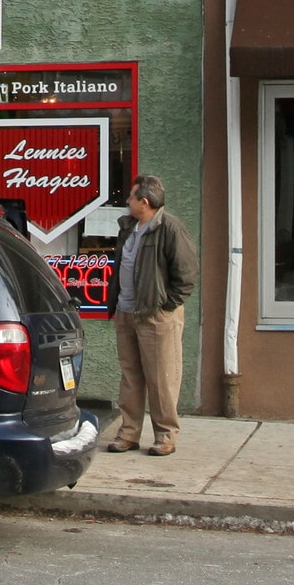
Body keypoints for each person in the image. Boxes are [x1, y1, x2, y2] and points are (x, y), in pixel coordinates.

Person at [103, 174, 198, 456]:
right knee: (131, 376)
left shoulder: (170, 228)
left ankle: (165, 435)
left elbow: (187, 275)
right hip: (126, 312)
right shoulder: (129, 227)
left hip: (156, 316)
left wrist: (165, 306)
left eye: (131, 197)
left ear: (144, 202)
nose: (127, 201)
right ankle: (128, 433)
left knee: (162, 377)